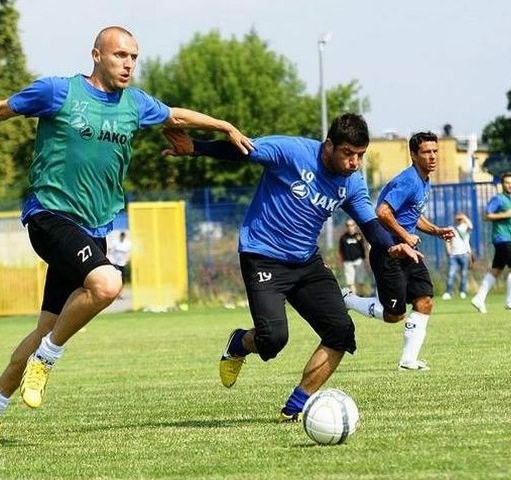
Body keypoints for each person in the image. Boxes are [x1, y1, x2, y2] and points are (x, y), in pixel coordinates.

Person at [0, 26, 253, 447]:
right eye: (120, 55)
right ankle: (48, 360)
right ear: (96, 55)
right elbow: (0, 109)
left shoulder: (135, 104)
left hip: (94, 230)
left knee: (43, 331)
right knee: (108, 283)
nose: (128, 64)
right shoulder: (59, 92)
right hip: (50, 217)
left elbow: (176, 116)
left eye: (134, 57)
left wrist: (223, 125)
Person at [162, 114, 421, 422]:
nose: (354, 162)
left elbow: (369, 223)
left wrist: (390, 244)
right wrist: (196, 148)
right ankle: (238, 343)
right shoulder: (292, 151)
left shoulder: (352, 181)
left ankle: (294, 407)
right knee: (273, 339)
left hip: (306, 261)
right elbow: (242, 149)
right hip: (262, 255)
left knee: (340, 333)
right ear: (329, 146)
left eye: (360, 155)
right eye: (348, 154)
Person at [342, 131, 454, 371]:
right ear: (413, 155)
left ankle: (408, 361)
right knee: (394, 315)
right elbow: (383, 212)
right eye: (426, 152)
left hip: (409, 252)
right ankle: (348, 300)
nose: (432, 156)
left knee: (424, 301)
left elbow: (412, 214)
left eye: (435, 151)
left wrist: (436, 230)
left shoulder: (424, 179)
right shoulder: (409, 180)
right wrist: (405, 236)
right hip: (389, 252)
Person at [471, 173, 511, 313]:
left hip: (509, 238)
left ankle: (479, 298)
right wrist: (504, 215)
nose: (510, 185)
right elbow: (485, 215)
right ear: (502, 184)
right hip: (502, 238)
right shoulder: (498, 199)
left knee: (496, 270)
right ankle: (510, 301)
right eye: (507, 183)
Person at [442, 212, 473, 300]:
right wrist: (448, 251)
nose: (459, 220)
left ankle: (462, 291)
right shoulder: (451, 228)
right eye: (458, 219)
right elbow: (447, 240)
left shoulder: (465, 228)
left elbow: (471, 226)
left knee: (464, 274)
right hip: (454, 255)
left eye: (461, 219)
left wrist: (464, 216)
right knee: (451, 274)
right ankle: (448, 292)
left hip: (464, 254)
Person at [338, 219, 368, 294]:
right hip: (347, 261)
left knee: (361, 280)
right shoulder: (343, 238)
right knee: (350, 281)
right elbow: (341, 250)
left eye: (351, 225)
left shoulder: (359, 236)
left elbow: (363, 248)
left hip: (358, 261)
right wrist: (341, 260)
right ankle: (354, 297)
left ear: (354, 226)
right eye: (348, 225)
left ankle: (362, 296)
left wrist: (360, 241)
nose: (350, 227)